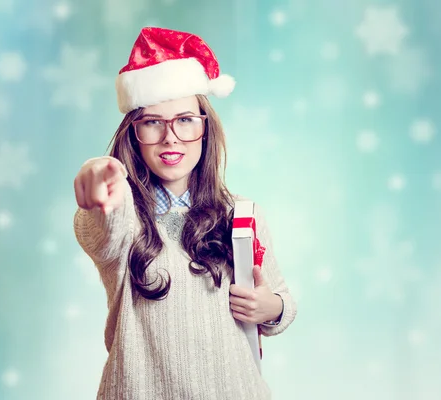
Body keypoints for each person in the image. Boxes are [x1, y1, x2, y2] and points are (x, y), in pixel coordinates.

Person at [73, 27, 297, 400]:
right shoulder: (124, 217)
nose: (170, 137)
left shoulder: (240, 213)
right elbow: (100, 229)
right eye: (152, 122)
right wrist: (99, 178)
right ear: (133, 133)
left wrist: (270, 308)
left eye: (185, 120)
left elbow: (281, 300)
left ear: (205, 129)